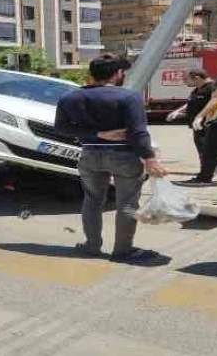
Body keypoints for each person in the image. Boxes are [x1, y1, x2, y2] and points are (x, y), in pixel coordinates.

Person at [55, 54, 168, 263]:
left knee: (92, 200)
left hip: (89, 155)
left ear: (91, 75)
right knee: (127, 203)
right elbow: (138, 133)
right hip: (124, 157)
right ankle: (123, 251)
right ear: (118, 74)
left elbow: (61, 127)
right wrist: (150, 158)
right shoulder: (129, 97)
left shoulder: (70, 97)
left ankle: (91, 246)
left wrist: (96, 134)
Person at [166, 69, 217, 175]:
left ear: (197, 78)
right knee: (205, 147)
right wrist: (177, 111)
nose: (184, 82)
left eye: (186, 79)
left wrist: (202, 117)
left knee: (206, 148)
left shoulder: (212, 87)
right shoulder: (197, 89)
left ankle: (208, 171)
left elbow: (215, 103)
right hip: (197, 124)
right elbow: (190, 103)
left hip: (207, 123)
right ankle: (216, 168)